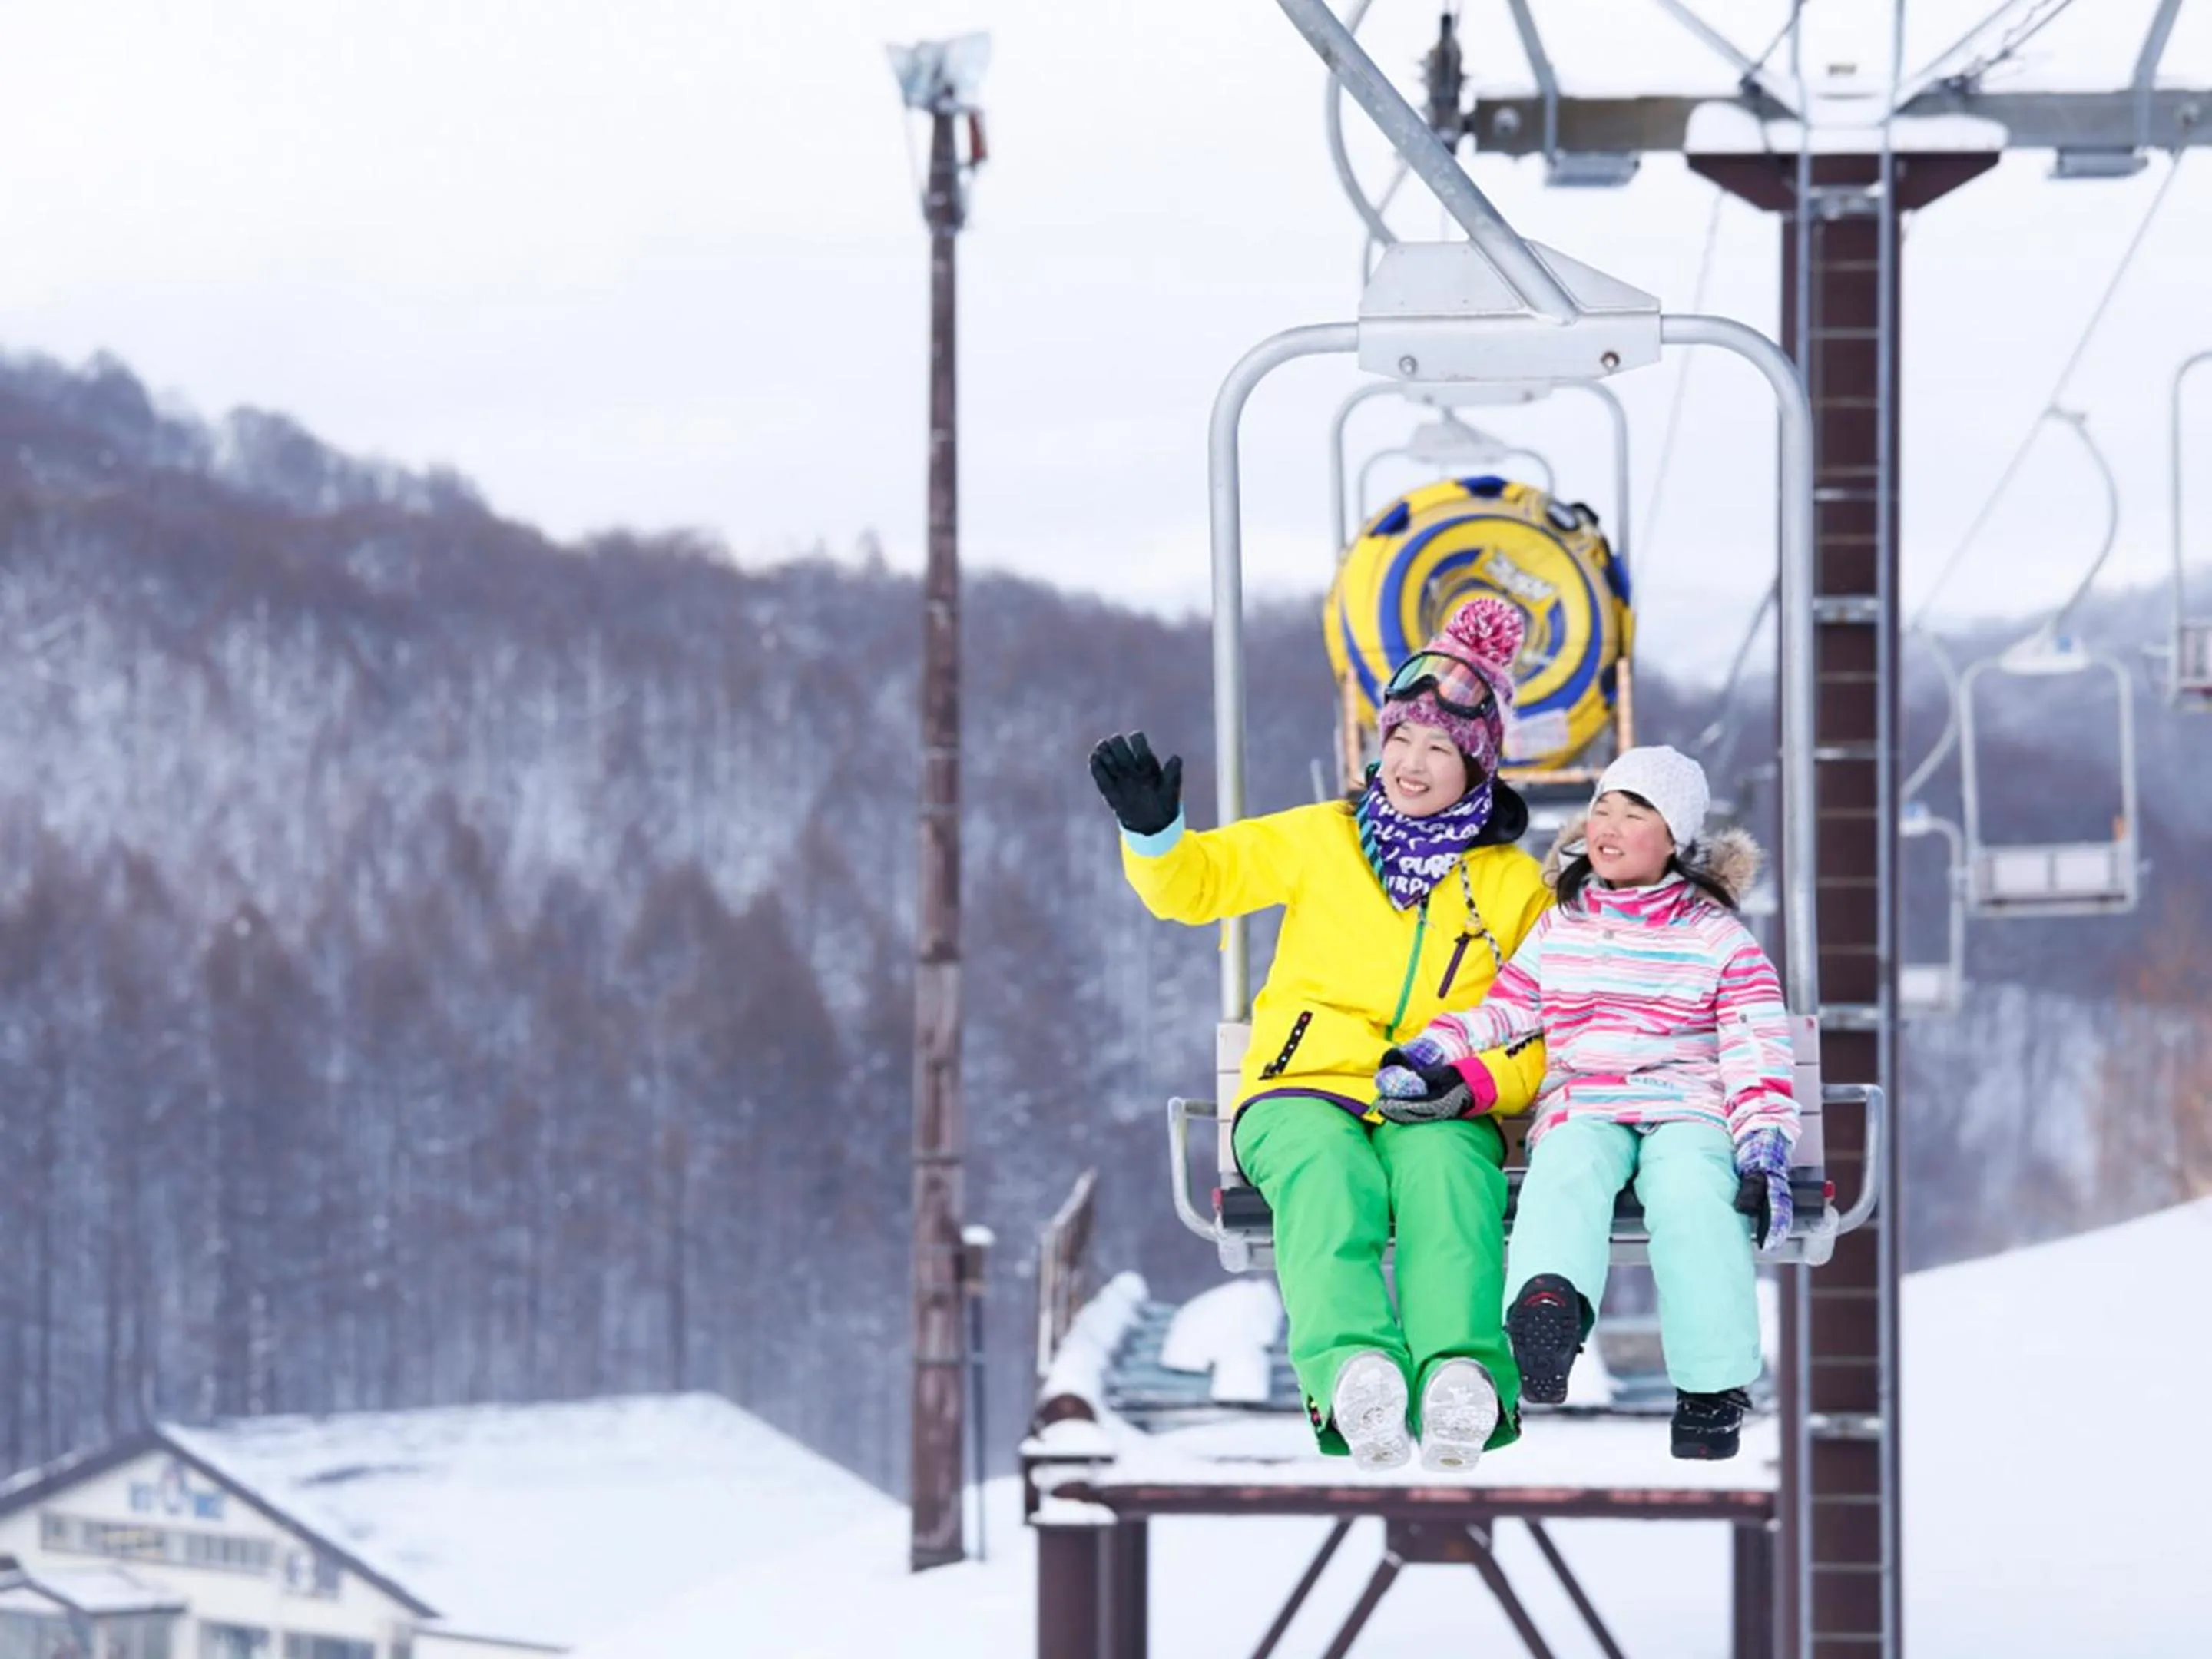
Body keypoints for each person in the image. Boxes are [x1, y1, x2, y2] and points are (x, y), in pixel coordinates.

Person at [1089, 599, 1550, 1472]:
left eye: (1439, 751)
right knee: (1327, 1181)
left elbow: (1538, 1025)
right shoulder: (1324, 840)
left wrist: (1479, 1088)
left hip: (1435, 1090)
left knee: (1450, 1179)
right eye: (1402, 742)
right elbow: (1198, 885)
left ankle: (1461, 1374)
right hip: (1303, 1084)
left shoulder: (1510, 885)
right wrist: (1154, 834)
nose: (1411, 766)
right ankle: (1352, 1369)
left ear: (1478, 767)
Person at [1373, 744, 1798, 1460]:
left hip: (1686, 1105)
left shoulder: (1718, 938)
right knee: (1563, 1172)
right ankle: (1550, 1308)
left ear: (1675, 842)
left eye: (1635, 814)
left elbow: (1757, 1051)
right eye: (1603, 807)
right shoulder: (1563, 924)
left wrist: (1763, 1150)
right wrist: (1432, 1051)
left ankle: (1711, 1389)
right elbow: (1507, 1007)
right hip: (1587, 1101)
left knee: (1696, 1200)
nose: (1609, 825)